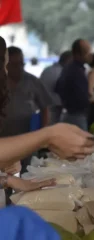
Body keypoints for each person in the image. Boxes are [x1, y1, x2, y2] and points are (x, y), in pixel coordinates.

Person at [0, 36, 94, 193]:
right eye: (4, 66)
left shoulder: (31, 81)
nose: (6, 72)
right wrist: (48, 136)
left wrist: (7, 180)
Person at [3, 46, 53, 174]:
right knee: (6, 173)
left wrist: (42, 132)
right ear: (5, 64)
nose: (19, 67)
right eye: (14, 64)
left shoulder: (32, 80)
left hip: (28, 136)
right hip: (4, 137)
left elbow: (45, 107)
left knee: (29, 172)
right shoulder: (2, 81)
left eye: (21, 63)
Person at [56, 39, 93, 130]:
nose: (90, 55)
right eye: (87, 52)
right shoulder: (73, 70)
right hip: (75, 115)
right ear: (78, 54)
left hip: (76, 114)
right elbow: (59, 88)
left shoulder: (77, 69)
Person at [40, 51, 72, 125]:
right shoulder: (62, 72)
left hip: (44, 104)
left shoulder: (47, 69)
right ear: (68, 60)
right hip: (55, 105)